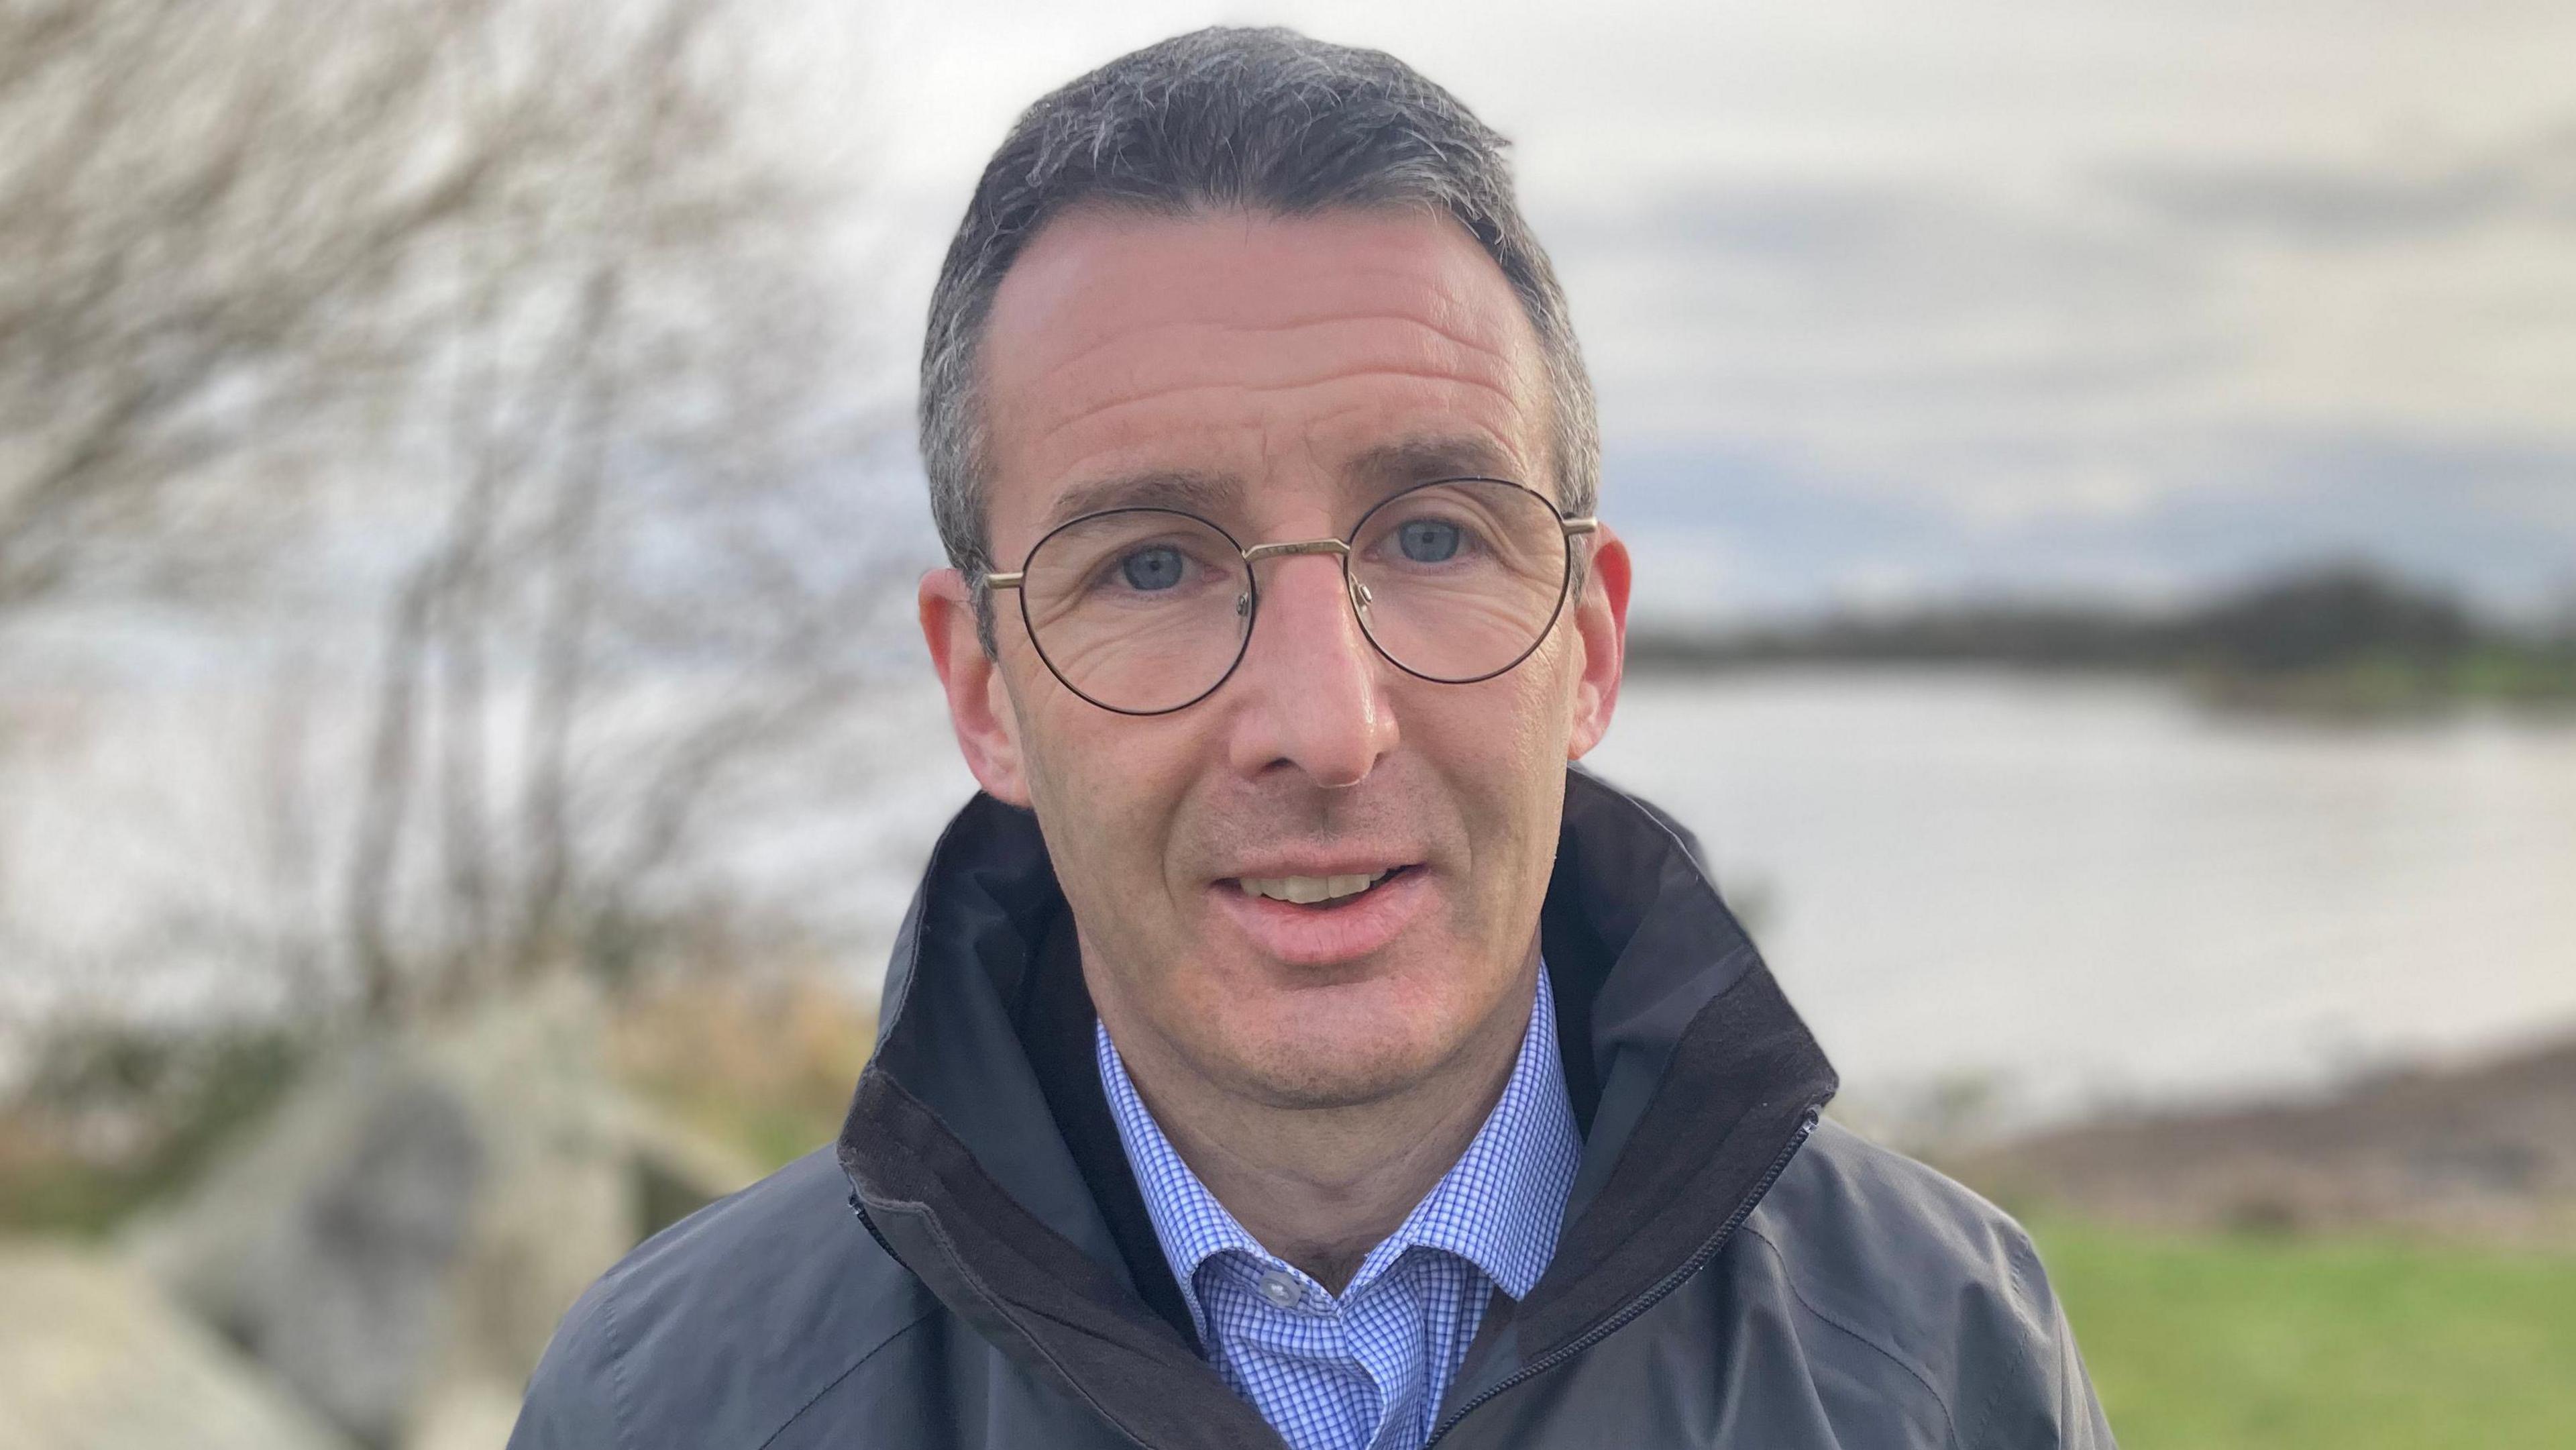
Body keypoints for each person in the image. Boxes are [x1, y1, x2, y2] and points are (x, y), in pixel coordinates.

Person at [511, 25, 2114, 1450]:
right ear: (984, 686)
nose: (1324, 726)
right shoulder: (671, 1406)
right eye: (1150, 564)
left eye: (1430, 539)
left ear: (1589, 638)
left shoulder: (1941, 1363)